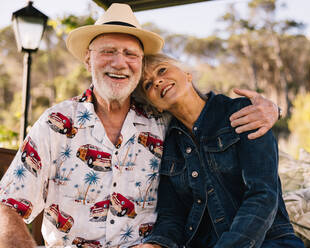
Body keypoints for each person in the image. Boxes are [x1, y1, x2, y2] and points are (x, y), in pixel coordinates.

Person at [0, 4, 279, 248]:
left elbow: (204, 114)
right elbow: (7, 206)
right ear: (88, 59)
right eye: (108, 51)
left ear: (140, 62)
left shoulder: (164, 122)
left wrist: (269, 110)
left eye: (130, 54)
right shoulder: (55, 123)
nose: (119, 62)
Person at [132, 54, 304, 248]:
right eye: (147, 85)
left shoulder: (243, 113)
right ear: (155, 105)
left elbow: (263, 195)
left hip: (268, 241)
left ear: (187, 74)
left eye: (162, 70)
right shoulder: (168, 143)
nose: (157, 81)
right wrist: (156, 244)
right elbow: (172, 214)